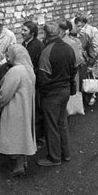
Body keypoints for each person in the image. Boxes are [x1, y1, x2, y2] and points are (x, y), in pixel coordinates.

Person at [36, 21, 76, 167]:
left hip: (52, 94)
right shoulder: (68, 48)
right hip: (65, 90)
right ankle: (66, 154)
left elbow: (43, 78)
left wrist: (43, 95)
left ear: (45, 34)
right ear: (58, 32)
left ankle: (54, 157)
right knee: (62, 123)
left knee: (51, 126)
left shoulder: (46, 52)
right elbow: (74, 69)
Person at [0, 44, 37, 176]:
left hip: (15, 109)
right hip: (26, 108)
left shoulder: (15, 71)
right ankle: (24, 162)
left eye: (9, 55)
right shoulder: (29, 69)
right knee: (24, 135)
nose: (7, 59)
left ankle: (18, 167)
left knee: (16, 136)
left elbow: (6, 93)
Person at [74, 12, 98, 106]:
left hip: (85, 62)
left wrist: (91, 63)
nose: (79, 28)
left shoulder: (87, 34)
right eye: (77, 26)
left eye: (80, 26)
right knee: (79, 82)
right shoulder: (72, 37)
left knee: (87, 80)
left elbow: (93, 50)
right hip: (78, 64)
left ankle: (90, 96)